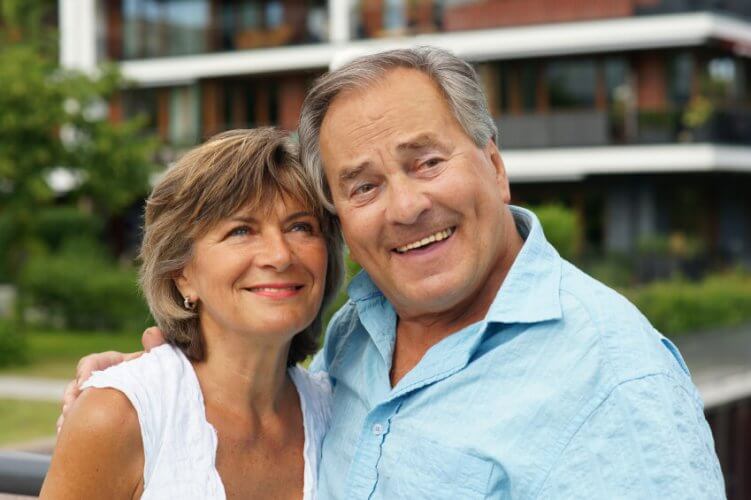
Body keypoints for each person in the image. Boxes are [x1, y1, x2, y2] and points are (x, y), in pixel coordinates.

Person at [63, 47, 725, 498]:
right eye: (363, 185)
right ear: (343, 216)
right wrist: (158, 387)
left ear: (493, 166)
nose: (406, 207)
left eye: (426, 162)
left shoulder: (615, 377)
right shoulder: (358, 336)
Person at [42, 128, 344, 499]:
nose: (280, 255)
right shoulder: (119, 416)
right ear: (181, 273)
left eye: (300, 227)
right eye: (241, 230)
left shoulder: (339, 414)